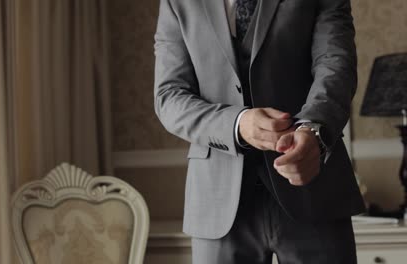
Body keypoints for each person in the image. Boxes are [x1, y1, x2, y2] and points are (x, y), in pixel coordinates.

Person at [153, 0, 365, 263]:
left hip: (313, 188)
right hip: (217, 201)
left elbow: (335, 66)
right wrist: (236, 124)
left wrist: (312, 130)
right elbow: (169, 97)